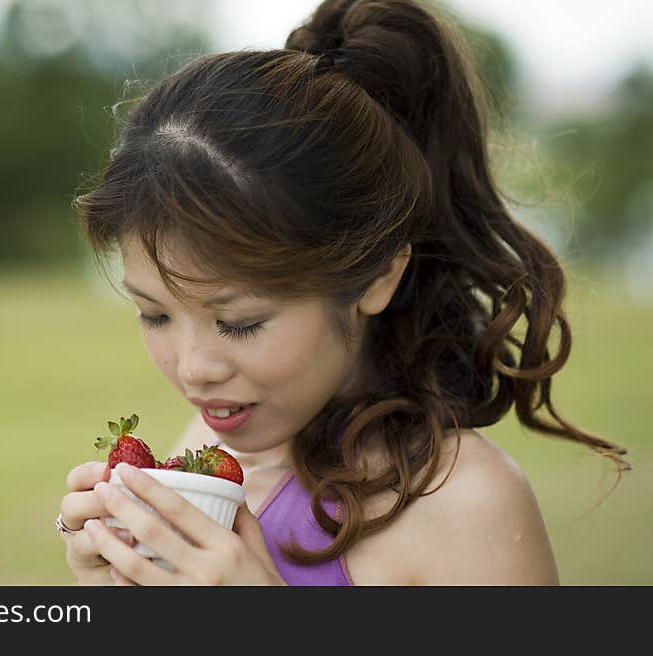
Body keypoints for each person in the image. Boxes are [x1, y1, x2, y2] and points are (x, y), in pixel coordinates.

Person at [56, 0, 630, 585]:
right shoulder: (214, 448)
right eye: (154, 315)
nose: (194, 370)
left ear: (377, 274)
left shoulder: (466, 503)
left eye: (240, 323)